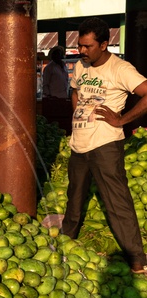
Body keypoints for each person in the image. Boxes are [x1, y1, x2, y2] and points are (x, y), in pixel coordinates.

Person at [61, 17, 147, 273]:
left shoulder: (121, 69)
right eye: (80, 45)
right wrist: (78, 113)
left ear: (104, 44)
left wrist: (121, 119)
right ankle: (66, 242)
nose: (82, 51)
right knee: (74, 198)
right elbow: (75, 90)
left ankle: (137, 260)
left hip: (106, 144)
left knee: (117, 201)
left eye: (88, 46)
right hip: (79, 144)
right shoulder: (80, 66)